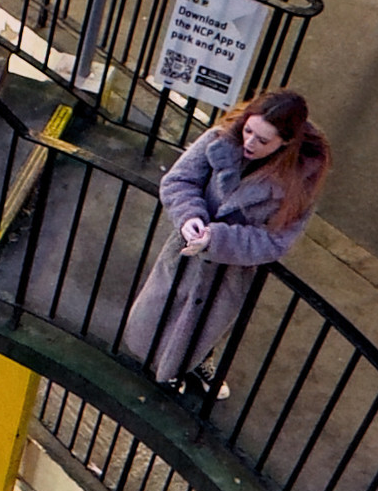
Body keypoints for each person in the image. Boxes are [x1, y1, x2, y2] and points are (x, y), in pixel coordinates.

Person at [121, 90, 330, 393]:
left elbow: (276, 241)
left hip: (230, 270)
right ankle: (161, 362)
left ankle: (185, 366)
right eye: (248, 130)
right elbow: (179, 180)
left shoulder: (299, 183)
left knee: (205, 325)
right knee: (164, 310)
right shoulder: (220, 139)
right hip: (186, 253)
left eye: (262, 140)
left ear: (286, 142)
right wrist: (190, 215)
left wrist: (216, 239)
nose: (249, 143)